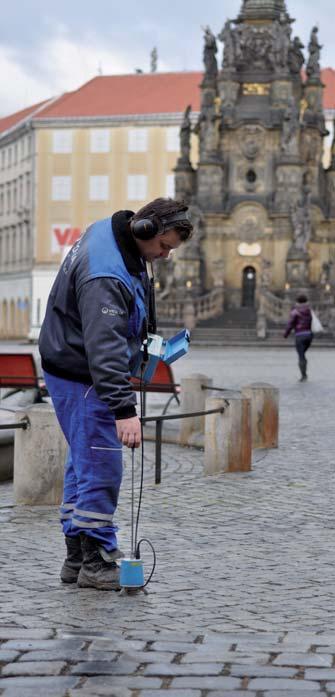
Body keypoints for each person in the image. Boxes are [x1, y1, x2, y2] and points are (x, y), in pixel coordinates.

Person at [39, 198, 193, 591]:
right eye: (164, 246)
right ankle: (98, 561)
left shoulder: (113, 237)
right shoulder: (106, 274)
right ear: (143, 232)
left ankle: (76, 558)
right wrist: (124, 410)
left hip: (71, 367)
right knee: (102, 465)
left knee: (83, 462)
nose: (164, 255)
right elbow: (103, 349)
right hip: (84, 374)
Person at [283, 293, 313, 382]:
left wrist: (286, 334)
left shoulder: (295, 311)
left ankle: (304, 375)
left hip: (300, 335)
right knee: (303, 354)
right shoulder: (309, 310)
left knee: (301, 356)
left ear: (297, 302)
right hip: (309, 336)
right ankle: (304, 370)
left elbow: (290, 324)